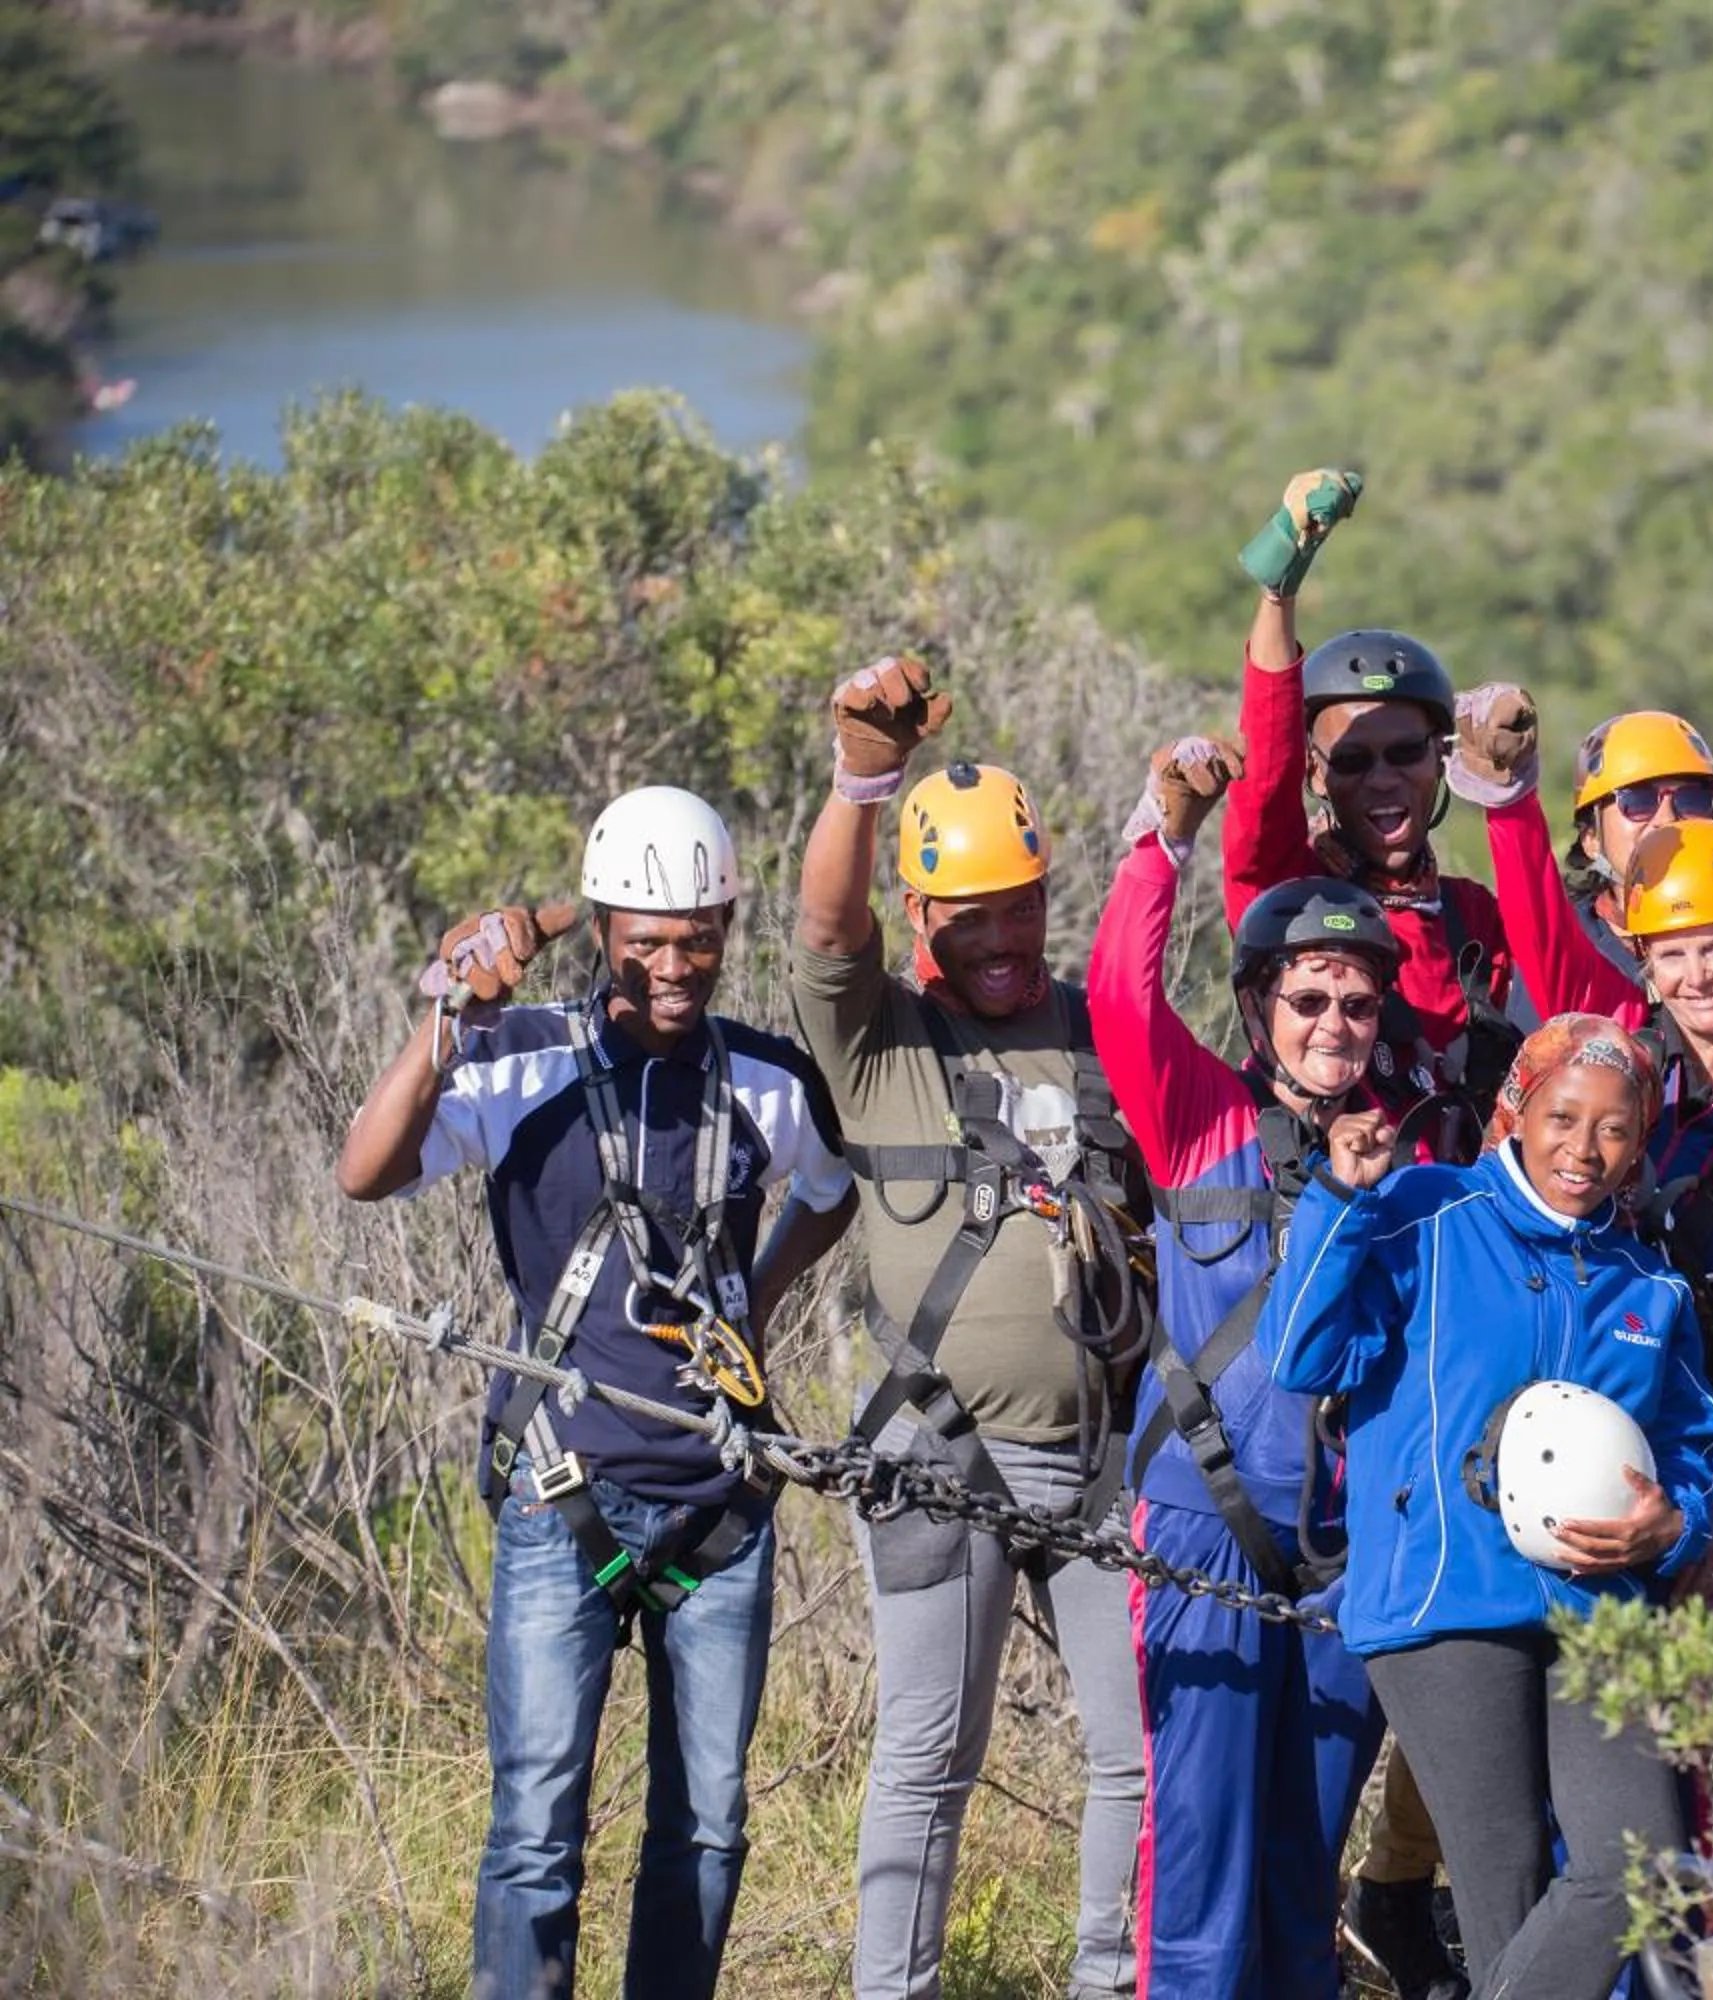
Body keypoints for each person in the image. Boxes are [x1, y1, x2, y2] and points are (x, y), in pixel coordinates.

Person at [335, 786, 857, 2000]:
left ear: (729, 922)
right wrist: (448, 1019)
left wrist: (758, 1306)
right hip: (564, 1492)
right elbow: (367, 1169)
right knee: (534, 1832)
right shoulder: (523, 1060)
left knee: (710, 1829)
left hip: (720, 1509)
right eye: (649, 940)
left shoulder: (769, 1080)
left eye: (700, 936)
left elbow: (833, 1189)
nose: (676, 965)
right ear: (609, 929)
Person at [791, 657, 1150, 2000]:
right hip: (939, 1456)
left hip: (1103, 1451)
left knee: (1138, 1754)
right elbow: (827, 934)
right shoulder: (883, 1041)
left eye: (1023, 914)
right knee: (930, 1754)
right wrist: (859, 778)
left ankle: (1111, 1980)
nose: (1002, 944)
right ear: (920, 912)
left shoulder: (1094, 1028)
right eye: (970, 921)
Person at [1265, 1018, 1713, 2000]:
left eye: (1614, 1129)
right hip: (1446, 1604)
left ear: (1640, 1143)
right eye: (1563, 1116)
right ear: (1516, 1109)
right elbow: (1303, 1354)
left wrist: (1674, 1524)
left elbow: (1693, 1450)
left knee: (1636, 1865)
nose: (1584, 1149)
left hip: (1603, 1613)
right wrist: (1337, 1199)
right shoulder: (1426, 1207)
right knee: (1506, 1887)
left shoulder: (1650, 1284)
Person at [1085, 737, 1394, 1997]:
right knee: (1201, 1854)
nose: (1335, 1024)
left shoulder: (1404, 1160)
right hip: (1205, 1525)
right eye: (1309, 999)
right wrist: (1166, 837)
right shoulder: (1197, 1111)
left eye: (1358, 1003)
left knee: (1302, 1860)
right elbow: (1117, 993)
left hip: (1342, 1549)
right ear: (1262, 1006)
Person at [1462, 684, 1713, 1612]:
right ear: (1643, 963)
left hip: (1709, 1439)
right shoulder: (1620, 1051)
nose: (1697, 975)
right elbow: (1548, 944)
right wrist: (1510, 802)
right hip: (1579, 1396)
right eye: (1670, 954)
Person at [1223, 467, 1520, 1123]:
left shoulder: (1474, 920)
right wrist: (1279, 593)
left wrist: (1511, 791)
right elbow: (1264, 781)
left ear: (1439, 760)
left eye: (1406, 753)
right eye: (1353, 760)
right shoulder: (1288, 893)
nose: (1383, 779)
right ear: (1317, 775)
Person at [1551, 707, 1713, 987]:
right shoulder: (1563, 950)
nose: (1667, 819)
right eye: (1637, 802)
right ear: (1591, 839)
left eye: (1692, 799)